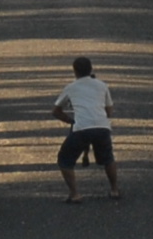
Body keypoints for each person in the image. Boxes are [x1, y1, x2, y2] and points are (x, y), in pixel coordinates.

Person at [51, 56, 120, 202]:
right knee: (108, 158)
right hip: (102, 126)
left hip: (82, 128)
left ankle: (75, 194)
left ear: (74, 71)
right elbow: (109, 111)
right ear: (91, 69)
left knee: (65, 159)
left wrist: (71, 121)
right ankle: (114, 189)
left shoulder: (70, 88)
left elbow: (56, 111)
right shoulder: (102, 85)